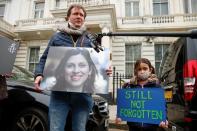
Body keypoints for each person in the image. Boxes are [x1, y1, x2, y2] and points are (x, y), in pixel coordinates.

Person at [34, 4, 111, 131]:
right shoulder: (56, 37)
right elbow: (44, 59)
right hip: (59, 95)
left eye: (81, 15)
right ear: (68, 17)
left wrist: (105, 69)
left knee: (79, 129)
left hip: (83, 96)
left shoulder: (90, 38)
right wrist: (38, 74)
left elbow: (98, 64)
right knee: (56, 128)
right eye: (75, 13)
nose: (79, 17)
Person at [116, 58, 168, 131]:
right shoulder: (129, 87)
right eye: (139, 69)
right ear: (136, 71)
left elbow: (163, 105)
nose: (142, 71)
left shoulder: (157, 87)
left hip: (152, 128)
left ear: (150, 70)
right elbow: (124, 105)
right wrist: (119, 115)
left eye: (145, 68)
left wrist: (164, 119)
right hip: (133, 128)